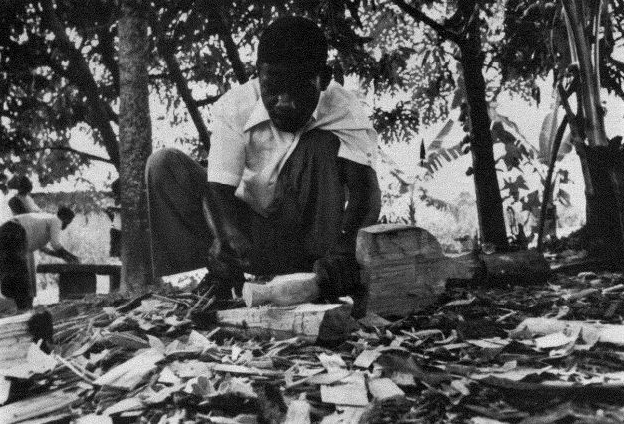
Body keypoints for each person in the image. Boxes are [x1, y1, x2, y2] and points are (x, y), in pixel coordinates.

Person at [146, 17, 381, 313]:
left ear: (323, 77)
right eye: (273, 88)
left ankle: (312, 283)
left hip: (306, 241)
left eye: (297, 89)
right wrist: (225, 237)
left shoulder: (344, 109)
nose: (284, 102)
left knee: (320, 144)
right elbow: (218, 189)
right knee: (164, 164)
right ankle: (201, 286)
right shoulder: (235, 105)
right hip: (251, 236)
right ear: (258, 74)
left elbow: (365, 196)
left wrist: (341, 260)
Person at [0, 207, 80, 308]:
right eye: (68, 222)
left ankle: (16, 305)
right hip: (15, 230)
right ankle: (24, 307)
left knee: (9, 270)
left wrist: (64, 256)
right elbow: (56, 245)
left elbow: (44, 249)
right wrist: (71, 257)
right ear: (64, 218)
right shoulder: (56, 220)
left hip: (6, 229)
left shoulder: (46, 220)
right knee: (21, 273)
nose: (66, 226)